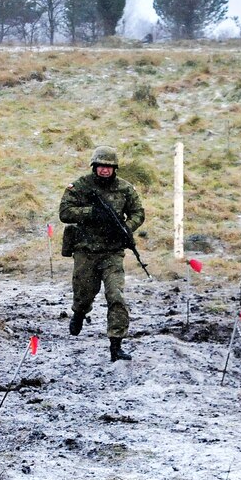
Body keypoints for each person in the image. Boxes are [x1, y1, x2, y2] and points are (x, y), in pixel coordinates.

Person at [59, 146, 145, 361]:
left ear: (114, 168)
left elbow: (138, 213)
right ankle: (79, 312)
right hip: (85, 250)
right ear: (94, 166)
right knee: (84, 293)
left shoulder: (125, 189)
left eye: (109, 167)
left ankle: (116, 345)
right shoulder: (80, 186)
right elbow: (65, 213)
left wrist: (127, 227)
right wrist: (91, 213)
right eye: (101, 166)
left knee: (116, 296)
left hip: (112, 252)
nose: (105, 170)